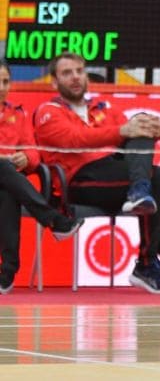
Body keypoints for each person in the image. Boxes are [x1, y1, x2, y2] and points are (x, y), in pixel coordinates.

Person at [34, 53, 160, 294]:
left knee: (143, 136)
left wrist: (156, 129)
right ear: (54, 82)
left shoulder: (102, 108)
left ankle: (139, 198)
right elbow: (76, 139)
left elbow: (129, 133)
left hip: (110, 174)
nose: (75, 77)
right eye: (67, 73)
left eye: (79, 71)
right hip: (77, 183)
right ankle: (146, 263)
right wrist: (125, 130)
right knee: (151, 172)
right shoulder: (47, 112)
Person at [0, 60, 83, 294]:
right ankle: (54, 220)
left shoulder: (18, 113)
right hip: (6, 173)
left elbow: (33, 152)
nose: (1, 87)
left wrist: (26, 159)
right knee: (5, 170)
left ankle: (6, 274)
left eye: (5, 81)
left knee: (8, 192)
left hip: (6, 183)